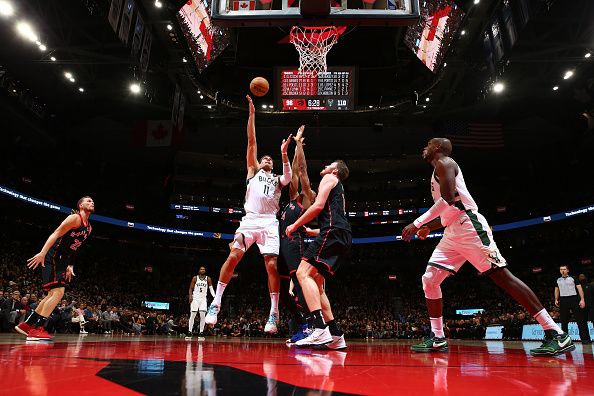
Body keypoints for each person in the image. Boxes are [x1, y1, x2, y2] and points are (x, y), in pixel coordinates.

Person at [401, 138, 574, 356]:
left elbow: (448, 201)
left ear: (437, 148)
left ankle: (556, 333)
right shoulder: (438, 169)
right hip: (453, 231)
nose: (424, 146)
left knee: (502, 276)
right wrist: (431, 226)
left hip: (470, 228)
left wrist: (417, 224)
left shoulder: (445, 162)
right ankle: (437, 338)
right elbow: (451, 208)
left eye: (429, 143)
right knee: (430, 278)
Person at [205, 95, 293, 334]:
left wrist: (285, 154)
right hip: (250, 219)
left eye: (269, 159)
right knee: (233, 256)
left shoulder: (278, 179)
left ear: (273, 165)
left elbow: (289, 177)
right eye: (264, 158)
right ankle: (216, 302)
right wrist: (252, 114)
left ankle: (273, 313)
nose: (266, 159)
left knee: (272, 265)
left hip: (269, 223)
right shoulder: (253, 171)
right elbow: (251, 141)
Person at [285, 160, 351, 348]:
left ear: (335, 170)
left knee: (302, 273)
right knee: (318, 284)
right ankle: (336, 334)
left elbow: (318, 206)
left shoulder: (330, 178)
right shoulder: (339, 190)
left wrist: (295, 225)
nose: (325, 166)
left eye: (328, 164)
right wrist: (312, 232)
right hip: (342, 235)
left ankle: (320, 329)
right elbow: (333, 219)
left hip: (333, 232)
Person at [15, 196, 94, 341]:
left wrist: (70, 265)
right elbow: (56, 233)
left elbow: (75, 248)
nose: (91, 202)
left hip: (63, 260)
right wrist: (43, 253)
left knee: (52, 294)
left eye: (92, 201)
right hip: (54, 255)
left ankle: (27, 325)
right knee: (58, 293)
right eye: (88, 201)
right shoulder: (74, 218)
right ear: (80, 205)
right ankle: (37, 329)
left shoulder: (88, 228)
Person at [277, 126, 314, 344]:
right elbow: (292, 173)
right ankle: (301, 323)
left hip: (294, 243)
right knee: (283, 292)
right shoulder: (291, 199)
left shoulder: (307, 198)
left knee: (299, 285)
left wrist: (299, 145)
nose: (298, 186)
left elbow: (301, 170)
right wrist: (289, 150)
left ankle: (312, 325)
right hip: (280, 245)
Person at [555, 266, 590, 344]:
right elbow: (556, 289)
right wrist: (556, 299)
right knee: (564, 321)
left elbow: (579, 288)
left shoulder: (573, 278)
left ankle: (585, 340)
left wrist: (582, 299)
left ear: (567, 270)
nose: (562, 270)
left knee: (580, 320)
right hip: (563, 300)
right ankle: (565, 341)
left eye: (564, 269)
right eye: (561, 269)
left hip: (574, 299)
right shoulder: (558, 279)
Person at [186, 266, 215, 340]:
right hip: (195, 298)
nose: (202, 270)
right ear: (199, 270)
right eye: (201, 269)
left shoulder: (208, 279)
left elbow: (211, 289)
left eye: (204, 269)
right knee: (192, 315)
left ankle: (201, 332)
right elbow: (190, 288)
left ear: (205, 271)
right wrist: (190, 296)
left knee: (203, 316)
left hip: (203, 299)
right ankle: (189, 332)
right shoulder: (195, 278)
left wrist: (215, 297)